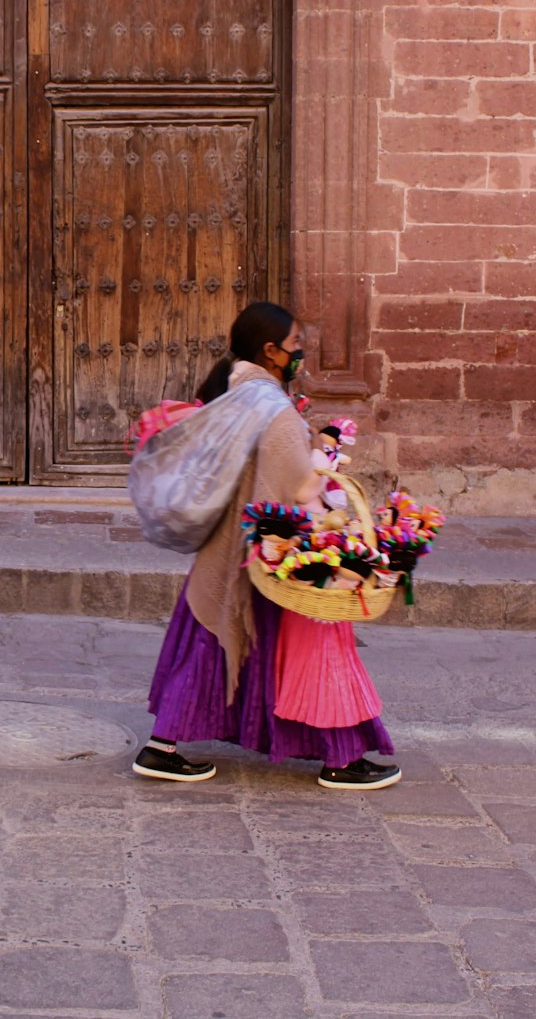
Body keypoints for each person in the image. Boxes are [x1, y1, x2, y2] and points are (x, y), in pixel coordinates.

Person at [132, 301, 401, 790]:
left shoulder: (238, 390)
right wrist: (324, 447)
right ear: (271, 351)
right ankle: (339, 756)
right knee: (312, 647)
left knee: (211, 639)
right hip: (267, 553)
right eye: (296, 345)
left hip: (228, 546)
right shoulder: (271, 405)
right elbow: (298, 484)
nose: (302, 353)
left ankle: (162, 746)